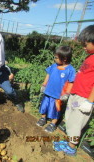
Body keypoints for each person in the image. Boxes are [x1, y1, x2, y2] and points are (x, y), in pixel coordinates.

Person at [53, 25, 94, 156]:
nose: (83, 47)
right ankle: (69, 141)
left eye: (85, 44)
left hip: (84, 99)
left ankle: (71, 146)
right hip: (76, 95)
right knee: (70, 119)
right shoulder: (90, 56)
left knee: (76, 123)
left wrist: (90, 102)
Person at [36, 46, 76, 133]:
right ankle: (43, 118)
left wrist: (67, 93)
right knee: (44, 105)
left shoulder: (70, 70)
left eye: (56, 58)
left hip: (58, 95)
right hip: (48, 91)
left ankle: (53, 123)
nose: (55, 59)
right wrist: (44, 84)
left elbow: (71, 82)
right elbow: (48, 75)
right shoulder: (54, 66)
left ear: (64, 59)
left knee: (56, 109)